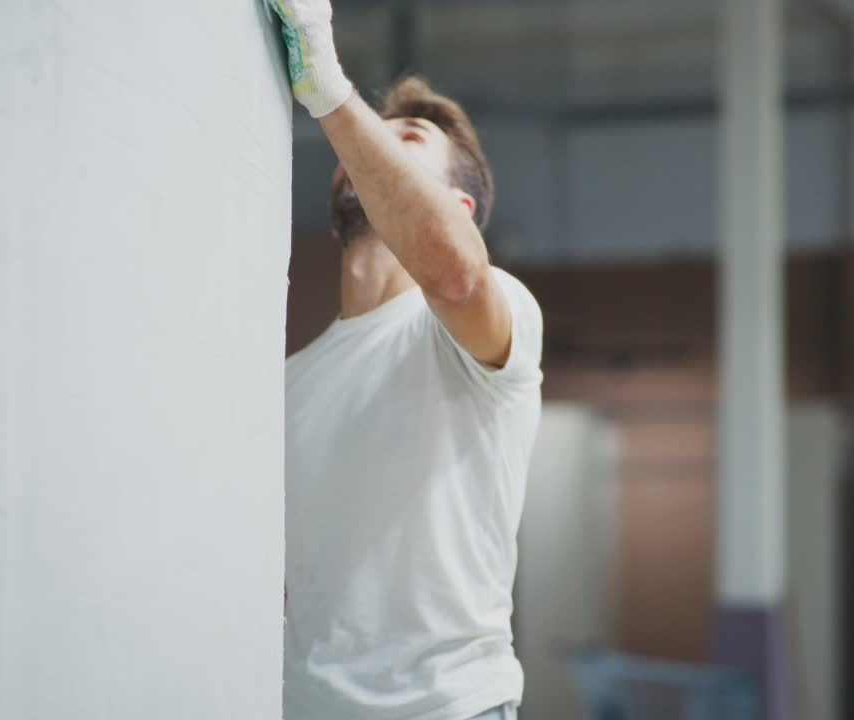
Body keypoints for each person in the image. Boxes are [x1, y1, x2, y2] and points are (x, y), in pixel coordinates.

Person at [270, 2, 544, 719]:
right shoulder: (289, 384)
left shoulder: (496, 314)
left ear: (459, 207)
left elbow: (457, 278)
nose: (372, 145)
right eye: (367, 139)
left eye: (408, 140)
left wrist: (329, 88)